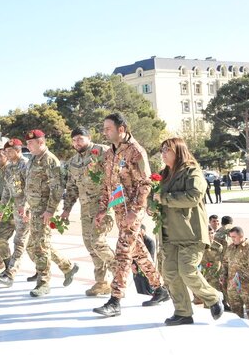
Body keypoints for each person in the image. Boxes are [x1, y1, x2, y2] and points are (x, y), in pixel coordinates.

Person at [93, 113, 169, 317]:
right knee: (139, 252)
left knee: (123, 252)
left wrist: (135, 211)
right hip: (119, 210)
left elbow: (146, 183)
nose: (105, 132)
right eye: (104, 128)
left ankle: (115, 299)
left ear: (121, 129)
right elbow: (107, 185)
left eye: (108, 128)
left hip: (133, 212)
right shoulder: (109, 154)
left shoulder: (135, 152)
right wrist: (102, 209)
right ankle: (160, 289)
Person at [155, 137, 222, 326]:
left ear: (179, 152)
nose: (163, 154)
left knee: (187, 270)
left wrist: (164, 198)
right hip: (168, 233)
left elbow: (193, 196)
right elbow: (158, 199)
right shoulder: (164, 174)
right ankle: (183, 312)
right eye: (162, 150)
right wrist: (153, 204)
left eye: (167, 150)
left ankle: (213, 298)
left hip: (190, 233)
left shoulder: (192, 172)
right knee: (169, 274)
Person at [19, 129, 78, 297]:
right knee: (34, 245)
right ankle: (67, 267)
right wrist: (25, 206)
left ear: (41, 142)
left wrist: (50, 210)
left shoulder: (50, 160)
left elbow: (57, 189)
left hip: (44, 209)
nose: (28, 146)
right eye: (27, 143)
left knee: (41, 246)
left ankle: (44, 282)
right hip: (34, 208)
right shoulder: (33, 160)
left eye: (31, 143)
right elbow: (28, 185)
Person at [60, 126, 114, 296]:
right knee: (90, 245)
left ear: (89, 137)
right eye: (74, 140)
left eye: (80, 139)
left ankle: (120, 275)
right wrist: (66, 209)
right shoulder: (73, 161)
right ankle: (101, 282)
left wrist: (111, 205)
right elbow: (71, 188)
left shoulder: (103, 151)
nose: (77, 143)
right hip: (86, 209)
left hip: (103, 206)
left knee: (98, 242)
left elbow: (115, 178)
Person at [0, 139, 32, 287]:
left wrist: (25, 205)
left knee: (20, 241)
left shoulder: (26, 165)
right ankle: (66, 267)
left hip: (28, 210)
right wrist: (1, 208)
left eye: (9, 152)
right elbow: (8, 192)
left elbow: (30, 188)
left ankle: (10, 273)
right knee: (35, 244)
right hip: (17, 210)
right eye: (5, 152)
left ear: (18, 150)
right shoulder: (9, 168)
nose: (7, 154)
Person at [222, 226, 249, 320]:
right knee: (235, 310)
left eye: (234, 236)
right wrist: (223, 276)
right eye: (231, 237)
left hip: (247, 286)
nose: (232, 239)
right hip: (232, 285)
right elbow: (225, 263)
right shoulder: (230, 247)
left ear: (241, 235)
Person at [132, 225, 155, 296]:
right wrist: (132, 265)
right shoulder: (134, 241)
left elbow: (150, 257)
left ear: (143, 231)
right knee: (139, 291)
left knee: (147, 292)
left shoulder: (150, 242)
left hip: (146, 270)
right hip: (135, 269)